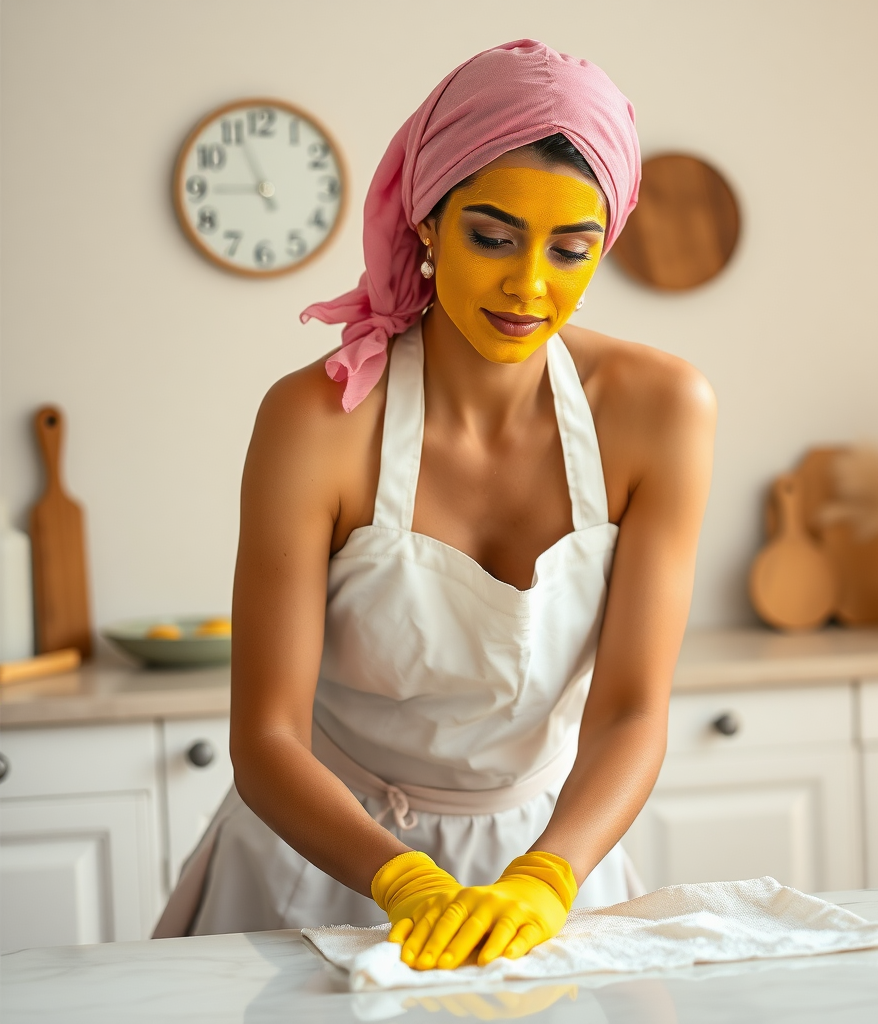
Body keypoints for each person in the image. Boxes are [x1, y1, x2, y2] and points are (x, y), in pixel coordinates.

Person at [154, 39, 715, 972]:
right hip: (322, 865)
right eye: (492, 235)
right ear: (426, 220)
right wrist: (404, 882)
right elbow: (267, 739)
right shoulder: (319, 421)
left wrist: (543, 881)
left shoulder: (662, 413)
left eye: (570, 250)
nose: (529, 285)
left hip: (548, 870)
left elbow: (629, 713)